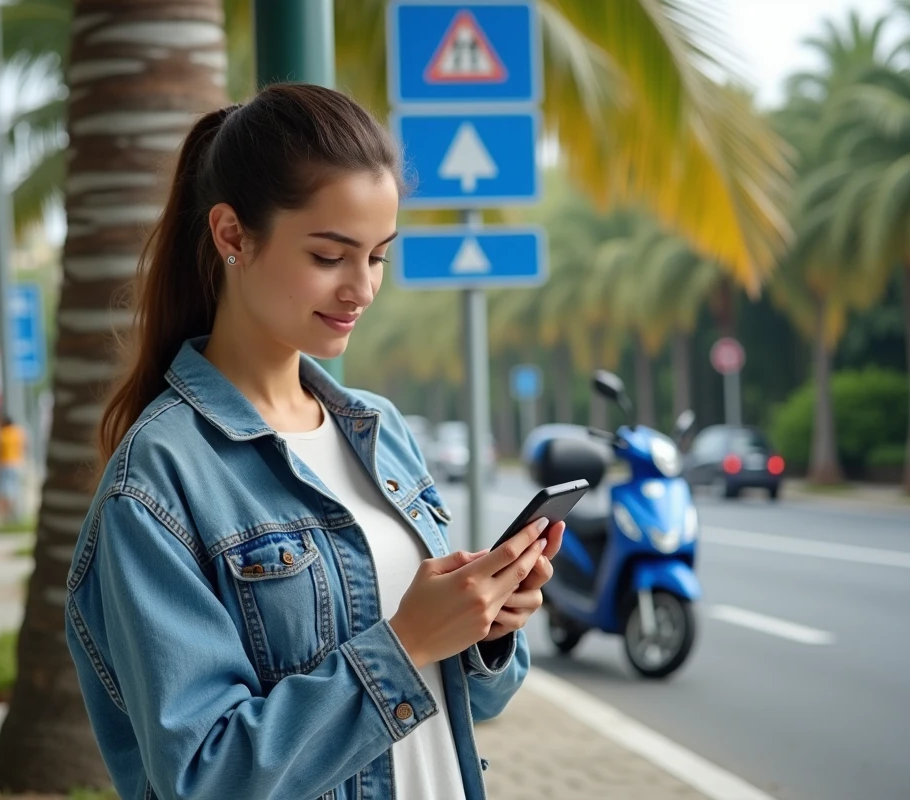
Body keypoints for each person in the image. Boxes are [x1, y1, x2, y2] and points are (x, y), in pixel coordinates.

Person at [64, 84, 565, 800]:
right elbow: (206, 775)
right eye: (331, 256)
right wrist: (407, 642)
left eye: (378, 256)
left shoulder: (381, 431)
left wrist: (484, 628)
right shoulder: (158, 480)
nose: (362, 288)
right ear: (232, 235)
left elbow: (469, 703)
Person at [0, 415, 26, 521]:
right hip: (17, 463)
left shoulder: (2, 433)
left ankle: (5, 513)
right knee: (14, 488)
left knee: (4, 489)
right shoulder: (19, 433)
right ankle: (13, 511)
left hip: (4, 463)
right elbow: (24, 447)